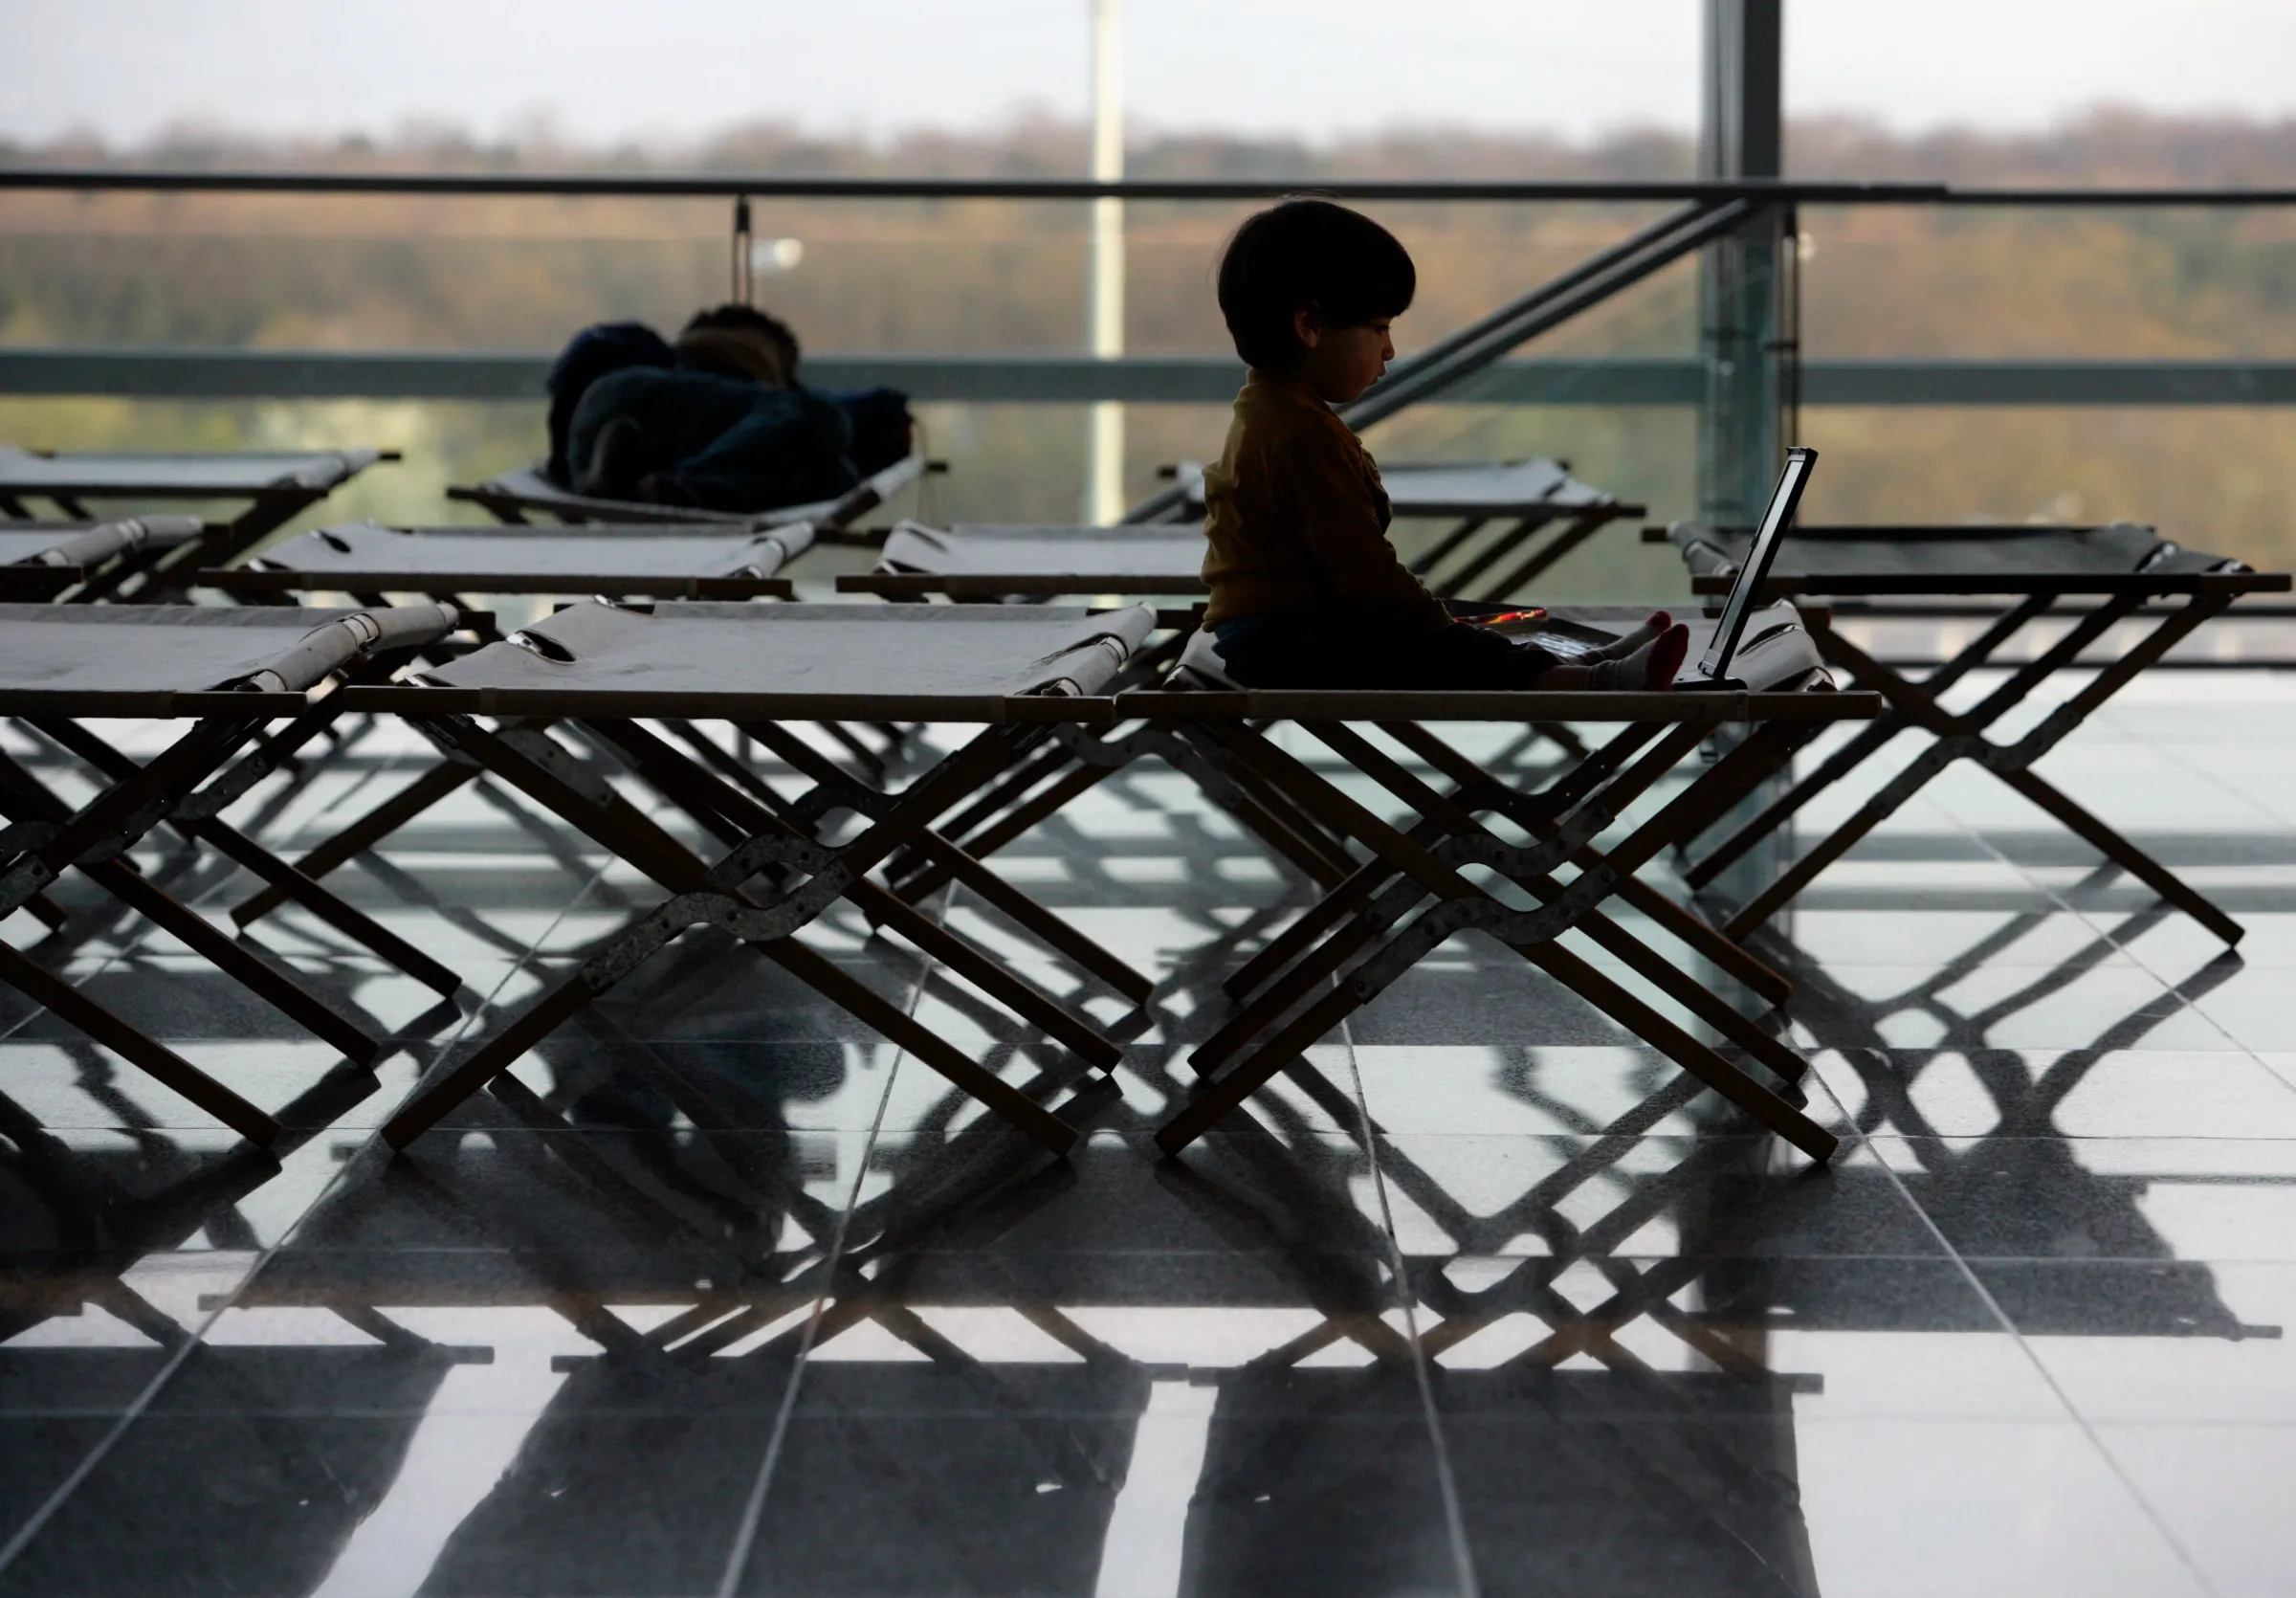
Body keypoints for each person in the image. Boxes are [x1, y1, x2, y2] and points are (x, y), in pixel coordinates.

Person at [1198, 199, 1688, 691]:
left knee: (1448, 631)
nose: (1389, 349)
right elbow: (1363, 568)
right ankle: (1589, 681)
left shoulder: (1272, 412)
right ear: (1310, 326)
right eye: (1379, 328)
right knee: (1438, 641)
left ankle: (1575, 667)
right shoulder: (1300, 435)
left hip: (1270, 636)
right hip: (1287, 646)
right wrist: (1434, 621)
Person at [548, 303, 913, 515]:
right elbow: (824, 408)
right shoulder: (735, 377)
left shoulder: (696, 393)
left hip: (599, 434)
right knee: (825, 421)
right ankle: (683, 487)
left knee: (839, 474)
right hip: (640, 408)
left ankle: (642, 484)